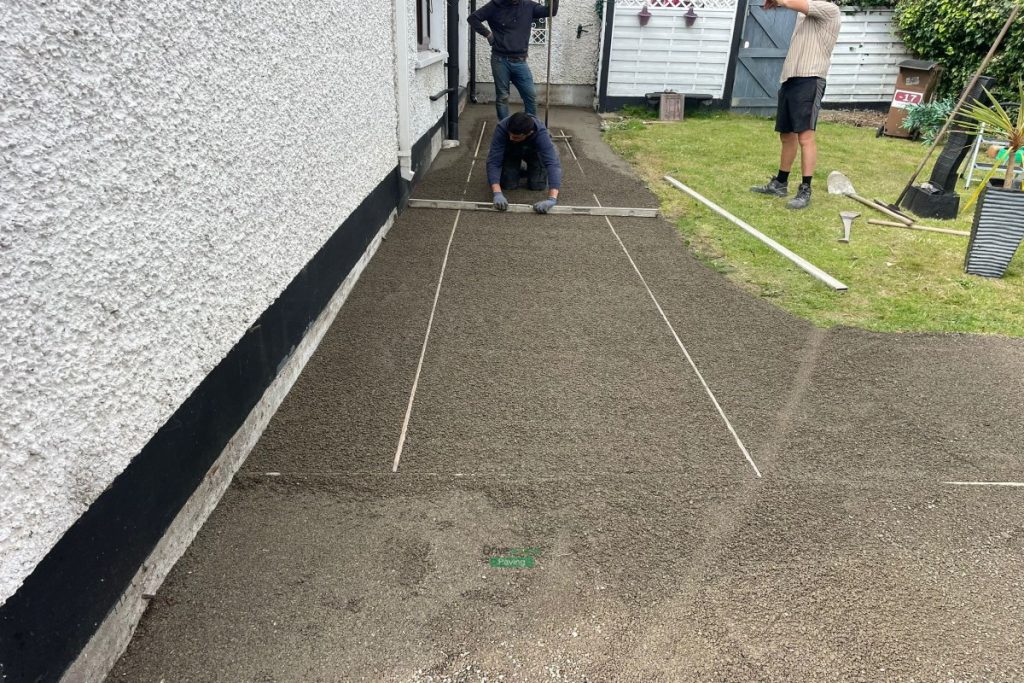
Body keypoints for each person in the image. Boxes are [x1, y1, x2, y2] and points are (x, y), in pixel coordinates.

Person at [750, 0, 841, 209]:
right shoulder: (804, 14)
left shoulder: (829, 10)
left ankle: (805, 189)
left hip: (810, 78)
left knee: (805, 136)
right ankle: (780, 183)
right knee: (786, 134)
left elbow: (791, 2)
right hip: (791, 78)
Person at [468, 0, 559, 121]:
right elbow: (473, 18)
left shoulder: (528, 6)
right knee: (503, 97)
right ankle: (504, 128)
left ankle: (530, 127)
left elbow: (551, 11)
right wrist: (488, 34)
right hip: (500, 60)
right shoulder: (495, 5)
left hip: (520, 61)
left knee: (530, 95)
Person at [486, 112, 562, 214]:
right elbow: (494, 161)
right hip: (511, 150)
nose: (511, 138)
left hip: (534, 152)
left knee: (537, 185)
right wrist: (497, 193)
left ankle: (528, 171)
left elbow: (553, 163)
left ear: (529, 133)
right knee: (509, 184)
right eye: (510, 134)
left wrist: (552, 199)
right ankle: (517, 170)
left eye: (516, 137)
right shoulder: (502, 127)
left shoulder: (540, 133)